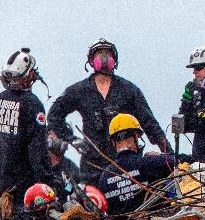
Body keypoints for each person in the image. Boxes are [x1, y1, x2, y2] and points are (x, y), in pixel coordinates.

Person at [49, 38, 170, 180]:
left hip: (124, 165)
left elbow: (150, 124)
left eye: (108, 53)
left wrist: (169, 154)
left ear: (115, 59)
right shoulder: (79, 91)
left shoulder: (128, 90)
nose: (104, 57)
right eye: (99, 53)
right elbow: (54, 115)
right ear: (91, 60)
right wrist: (73, 140)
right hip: (92, 167)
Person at [0, 48, 57, 220]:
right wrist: (47, 186)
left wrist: (4, 179)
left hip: (5, 194)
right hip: (29, 197)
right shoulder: (32, 104)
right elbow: (38, 152)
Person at [96, 114, 187, 217]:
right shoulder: (148, 163)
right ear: (136, 136)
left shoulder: (104, 177)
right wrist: (162, 156)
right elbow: (185, 160)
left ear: (113, 142)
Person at [47, 132, 82, 198]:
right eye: (51, 137)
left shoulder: (69, 166)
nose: (56, 140)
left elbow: (78, 185)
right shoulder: (41, 166)